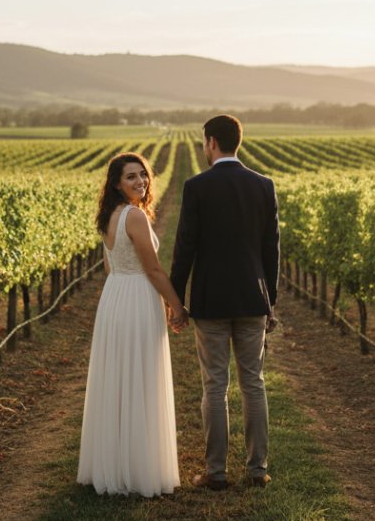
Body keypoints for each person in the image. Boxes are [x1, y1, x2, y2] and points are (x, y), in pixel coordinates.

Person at [170, 114, 279, 490]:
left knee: (215, 385)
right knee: (254, 382)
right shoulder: (263, 185)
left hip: (211, 300)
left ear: (212, 143)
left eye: (204, 143)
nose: (204, 149)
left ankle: (216, 473)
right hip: (252, 298)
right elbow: (271, 249)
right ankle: (257, 470)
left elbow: (185, 246)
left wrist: (176, 298)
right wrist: (271, 301)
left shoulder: (197, 186)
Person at [76, 151, 185, 497]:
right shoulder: (135, 216)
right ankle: (138, 470)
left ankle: (114, 463)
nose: (141, 181)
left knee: (120, 379)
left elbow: (110, 267)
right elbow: (152, 270)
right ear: (117, 184)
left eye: (143, 175)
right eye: (131, 177)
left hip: (115, 296)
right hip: (137, 296)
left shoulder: (110, 215)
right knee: (139, 377)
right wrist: (176, 304)